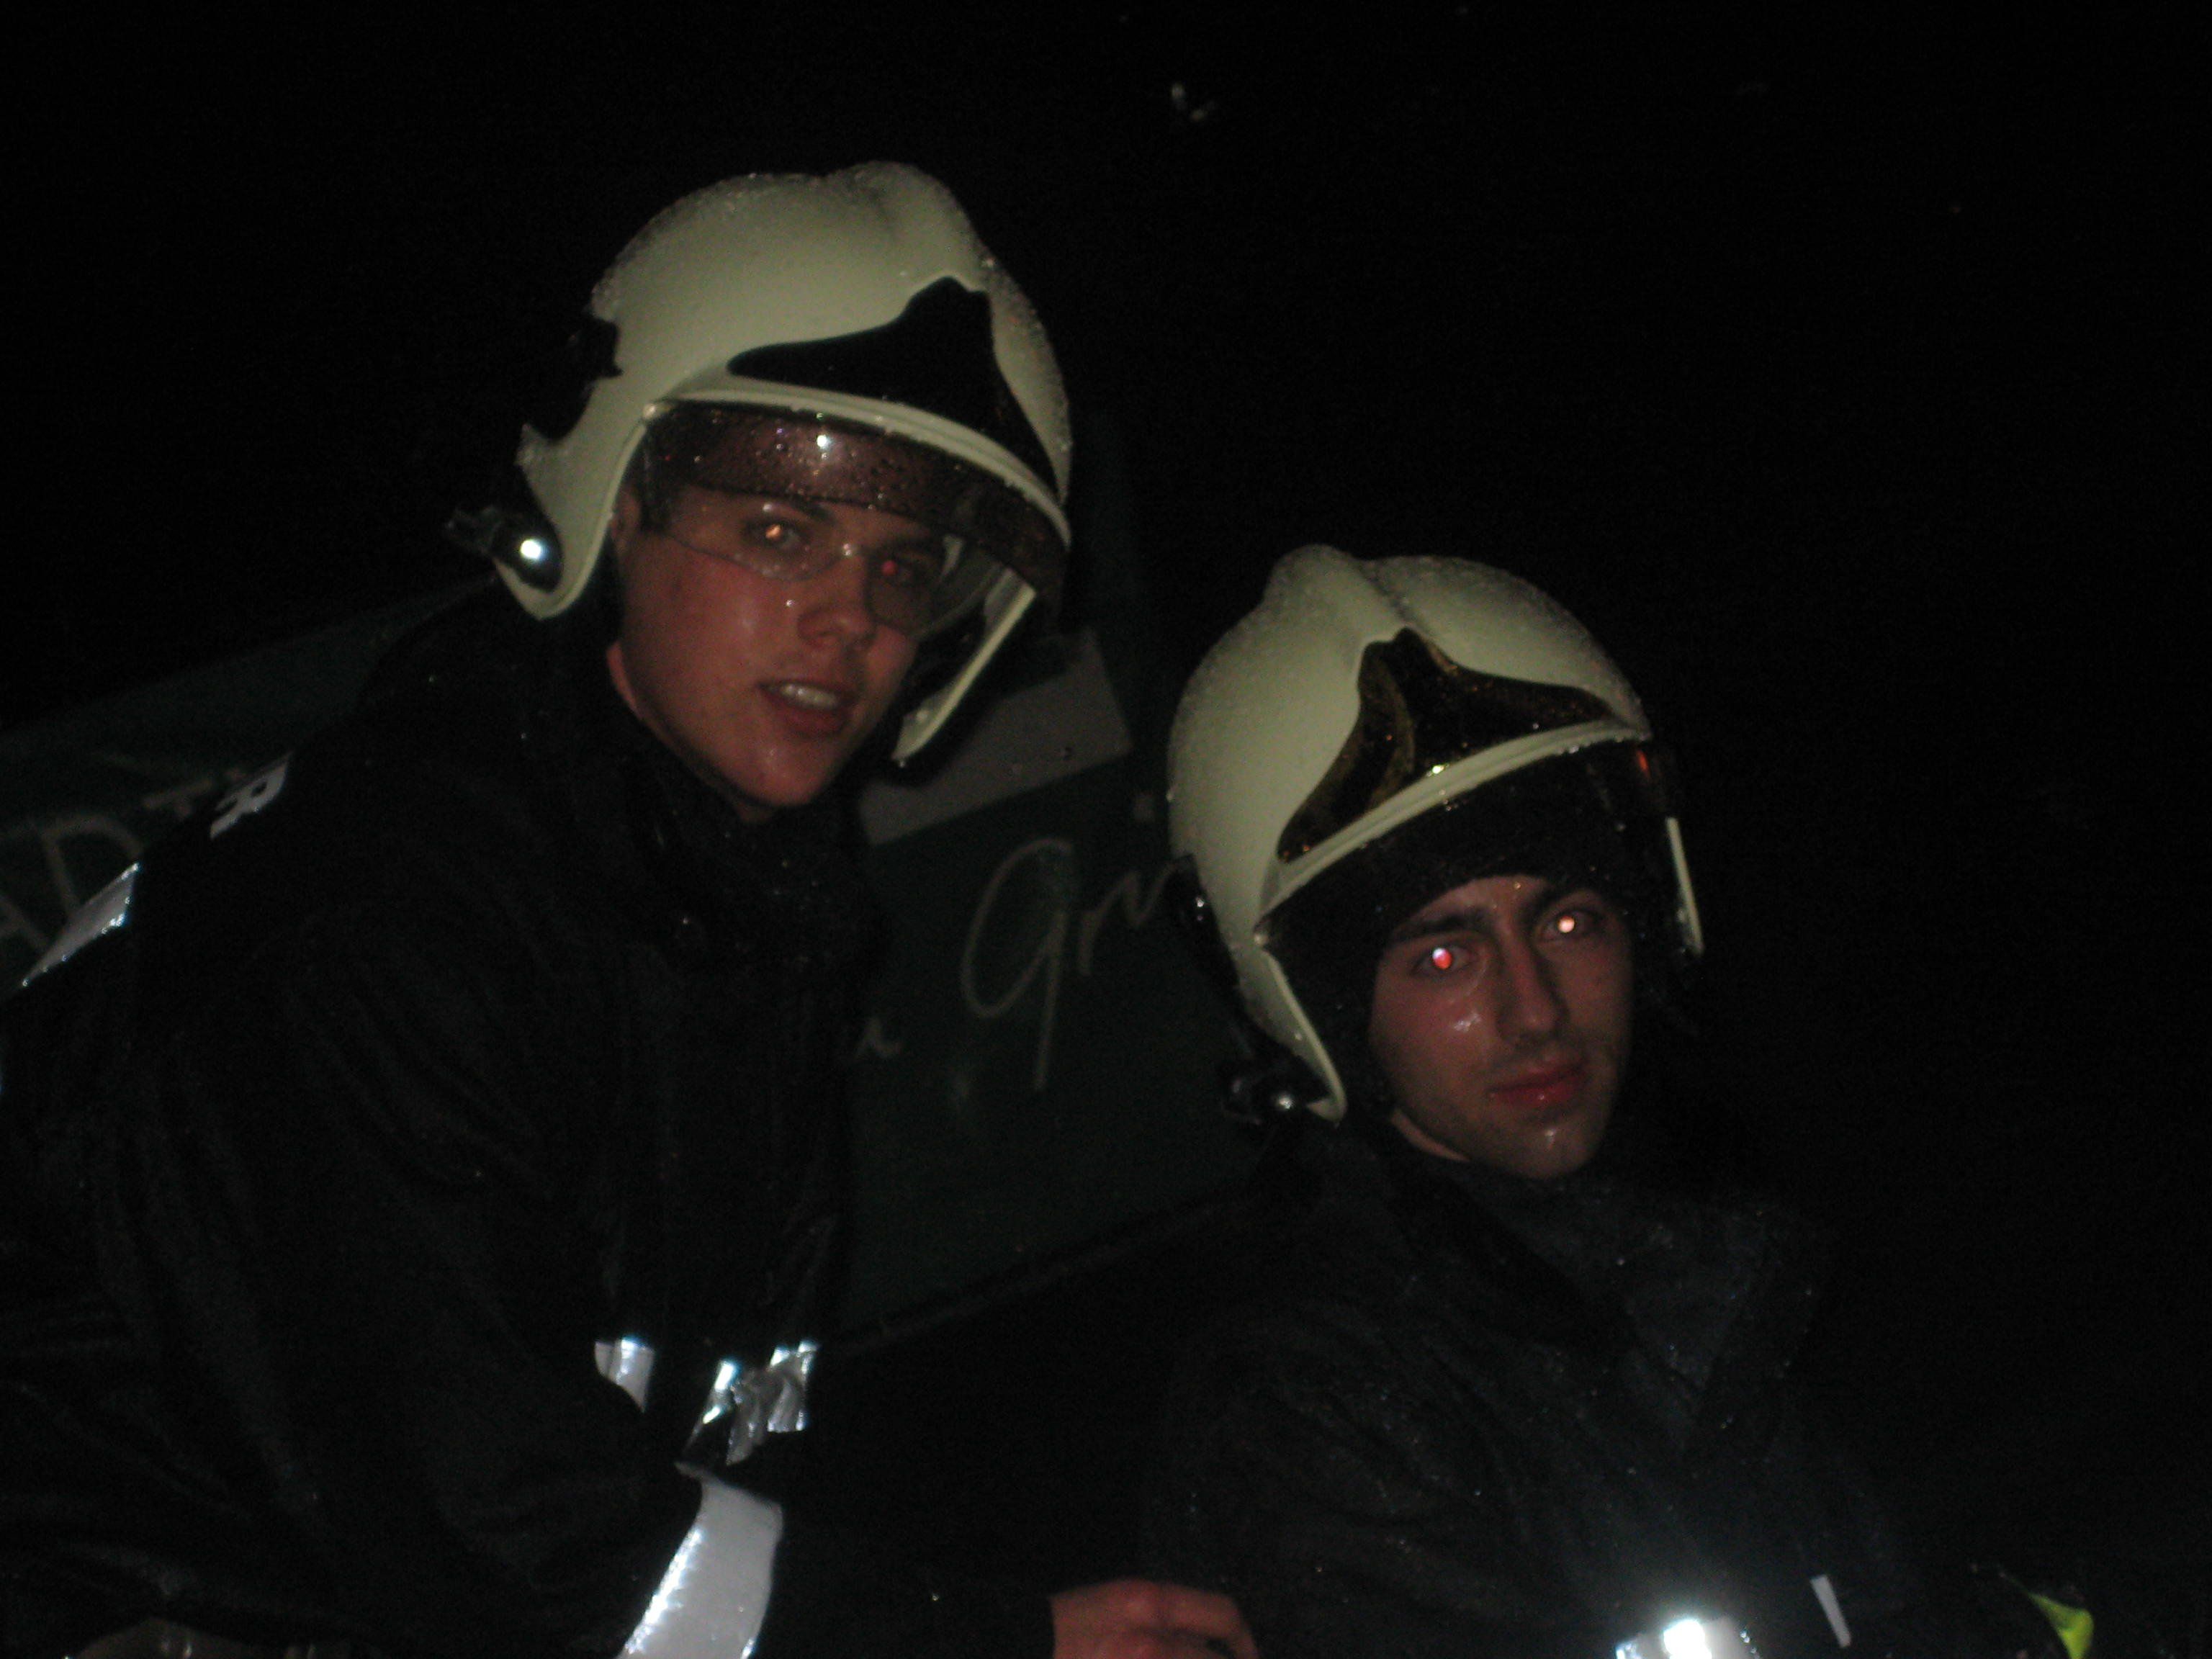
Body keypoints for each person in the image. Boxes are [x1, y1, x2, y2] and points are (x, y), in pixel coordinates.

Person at [1, 163, 1253, 1659]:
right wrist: (994, 1645)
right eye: (780, 532)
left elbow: (673, 1503)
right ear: (615, 507)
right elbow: (501, 1537)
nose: (850, 618)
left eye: (902, 566)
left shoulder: (722, 917)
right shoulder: (389, 919)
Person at [1146, 547, 2056, 1659]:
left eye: (1571, 921)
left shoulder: (1682, 1270)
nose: (1536, 1011)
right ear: (1316, 1013)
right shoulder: (1313, 1416)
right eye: (1444, 958)